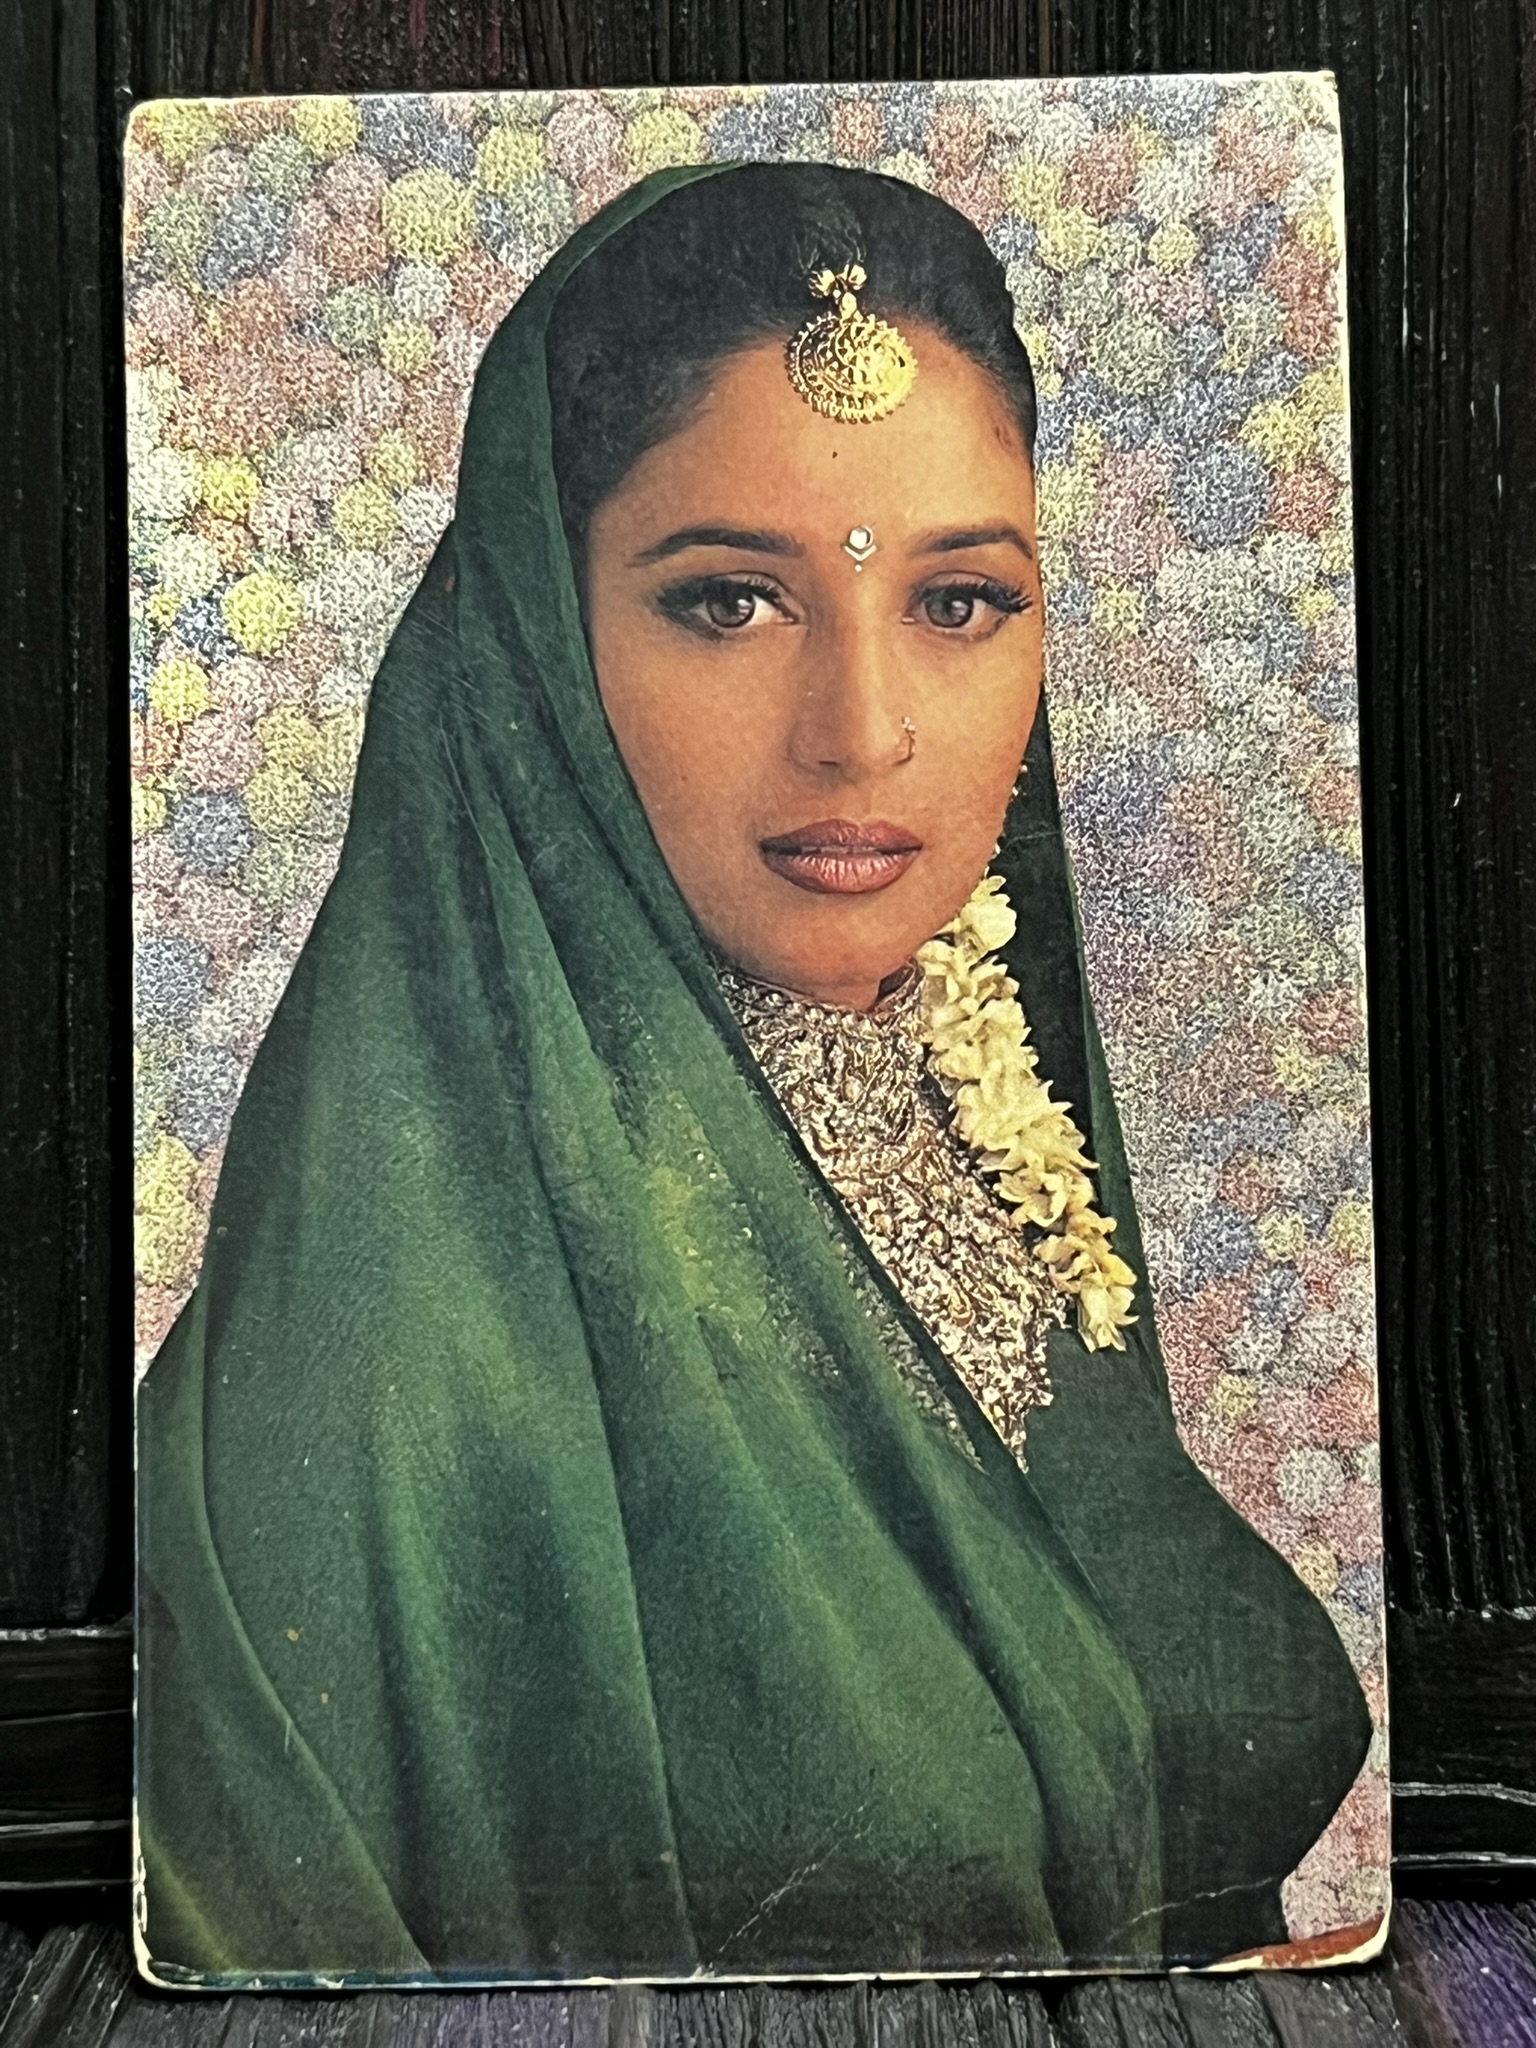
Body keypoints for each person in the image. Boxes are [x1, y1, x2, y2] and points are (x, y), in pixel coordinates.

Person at [136, 160, 1372, 1987]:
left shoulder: (969, 1118)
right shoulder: (378, 1355)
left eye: (961, 601)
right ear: (535, 642)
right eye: (728, 602)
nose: (862, 733)